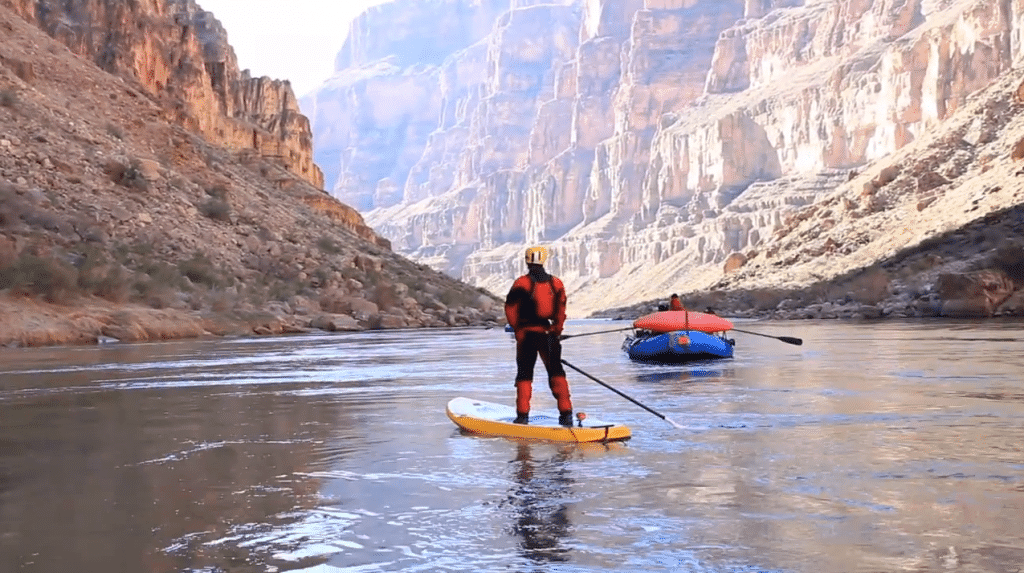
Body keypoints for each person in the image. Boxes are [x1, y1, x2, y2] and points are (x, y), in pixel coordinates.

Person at [504, 246, 573, 426]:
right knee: (556, 372)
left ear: (527, 260)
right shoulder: (556, 283)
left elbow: (510, 309)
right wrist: (557, 331)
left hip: (527, 335)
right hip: (548, 334)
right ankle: (566, 414)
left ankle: (522, 416)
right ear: (544, 261)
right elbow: (561, 310)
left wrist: (517, 329)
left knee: (525, 375)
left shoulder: (521, 283)